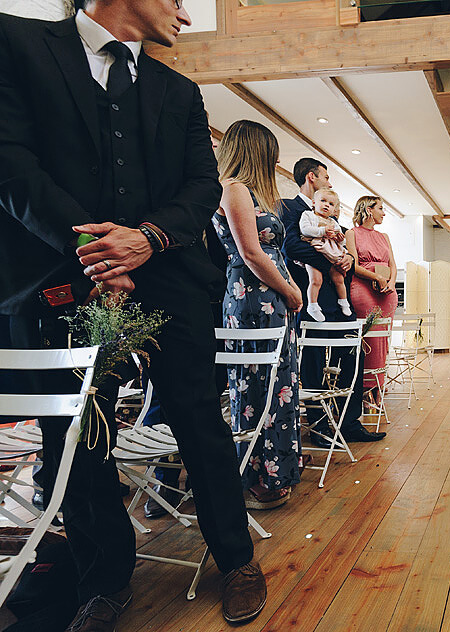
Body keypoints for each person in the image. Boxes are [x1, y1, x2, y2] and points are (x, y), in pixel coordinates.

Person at [0, 1, 267, 627]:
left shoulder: (181, 90)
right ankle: (104, 577)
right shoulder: (15, 42)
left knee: (199, 420)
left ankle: (236, 560)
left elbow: (202, 186)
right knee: (76, 436)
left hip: (170, 280)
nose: (184, 11)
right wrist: (94, 248)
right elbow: (10, 164)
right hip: (65, 280)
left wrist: (146, 238)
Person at [213, 119, 302, 511]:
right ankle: (259, 472)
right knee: (256, 384)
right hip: (253, 298)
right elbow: (250, 252)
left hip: (271, 298)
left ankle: (280, 460)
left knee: (278, 378)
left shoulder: (252, 194)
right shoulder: (233, 190)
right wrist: (288, 288)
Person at [280, 160, 384, 444]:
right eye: (327, 177)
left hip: (340, 300)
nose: (330, 182)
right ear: (312, 177)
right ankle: (319, 427)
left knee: (353, 353)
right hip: (310, 297)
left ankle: (350, 422)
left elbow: (341, 247)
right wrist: (334, 261)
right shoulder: (289, 208)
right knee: (313, 364)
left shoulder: (333, 213)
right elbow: (292, 247)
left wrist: (347, 259)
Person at [346, 196, 398, 402]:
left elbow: (393, 264)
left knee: (383, 341)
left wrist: (391, 283)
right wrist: (376, 276)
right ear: (369, 209)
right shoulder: (351, 234)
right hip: (363, 289)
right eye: (380, 208)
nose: (384, 213)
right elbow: (353, 265)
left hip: (386, 292)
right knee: (370, 339)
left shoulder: (384, 236)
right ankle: (367, 390)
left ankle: (379, 386)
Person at [299, 187, 351, 322]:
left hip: (331, 251)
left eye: (331, 204)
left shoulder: (333, 222)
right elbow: (305, 230)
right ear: (314, 203)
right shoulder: (308, 215)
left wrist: (340, 238)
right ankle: (313, 305)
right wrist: (322, 231)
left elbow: (343, 241)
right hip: (316, 249)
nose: (327, 205)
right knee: (316, 280)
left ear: (334, 210)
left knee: (339, 278)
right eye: (323, 201)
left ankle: (343, 301)